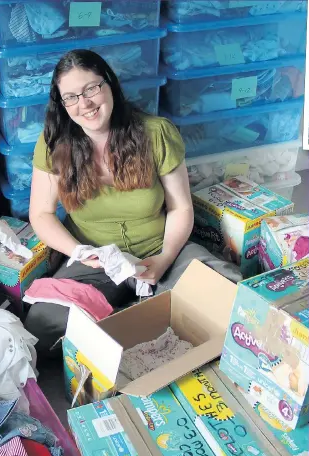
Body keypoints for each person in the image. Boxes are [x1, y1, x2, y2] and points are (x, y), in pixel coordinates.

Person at [25, 49, 242, 357]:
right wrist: (80, 253)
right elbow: (42, 214)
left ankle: (134, 315)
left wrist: (166, 258)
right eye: (70, 96)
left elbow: (180, 207)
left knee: (230, 290)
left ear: (109, 84)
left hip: (161, 251)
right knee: (42, 323)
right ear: (61, 103)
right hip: (95, 260)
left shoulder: (156, 132)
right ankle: (140, 314)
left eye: (91, 88)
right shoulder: (52, 143)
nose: (84, 104)